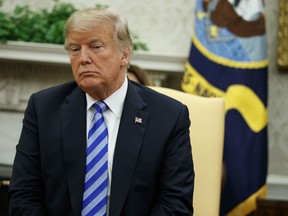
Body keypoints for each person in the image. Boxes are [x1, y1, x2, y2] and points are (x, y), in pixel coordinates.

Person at [8, 7, 194, 216]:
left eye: (95, 46)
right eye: (75, 49)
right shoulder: (43, 108)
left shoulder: (169, 116)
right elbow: (24, 194)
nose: (83, 58)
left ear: (124, 55)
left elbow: (174, 204)